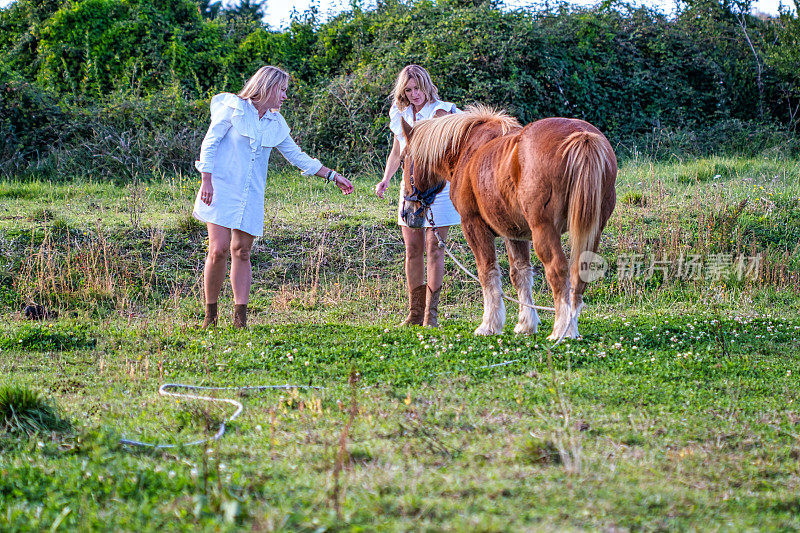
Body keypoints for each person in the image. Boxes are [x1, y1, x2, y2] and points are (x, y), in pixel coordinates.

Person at [194, 66, 354, 329]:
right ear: (267, 87)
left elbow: (296, 155)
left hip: (251, 193)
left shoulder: (275, 122)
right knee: (218, 249)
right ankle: (210, 316)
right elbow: (209, 143)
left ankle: (239, 319)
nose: (285, 96)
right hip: (220, 187)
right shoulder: (233, 108)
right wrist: (206, 179)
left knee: (242, 251)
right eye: (282, 90)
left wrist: (332, 175)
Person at [374, 65, 460, 327]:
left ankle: (430, 316)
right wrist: (386, 178)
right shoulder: (399, 113)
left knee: (435, 248)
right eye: (408, 89)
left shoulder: (442, 111)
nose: (414, 94)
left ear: (427, 85)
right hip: (409, 187)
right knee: (413, 249)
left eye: (417, 88)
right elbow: (397, 149)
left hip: (439, 189)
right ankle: (414, 312)